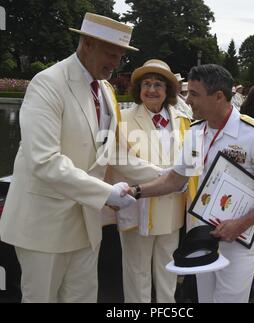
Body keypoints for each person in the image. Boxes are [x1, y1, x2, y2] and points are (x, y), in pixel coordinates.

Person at [0, 13, 161, 303]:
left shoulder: (106, 90)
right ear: (87, 44)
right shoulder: (47, 83)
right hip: (43, 227)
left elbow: (112, 154)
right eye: (111, 54)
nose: (115, 63)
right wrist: (107, 193)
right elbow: (45, 161)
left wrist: (166, 175)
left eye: (121, 56)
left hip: (87, 226)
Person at [126, 64, 254, 303]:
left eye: (194, 94)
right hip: (203, 238)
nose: (187, 100)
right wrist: (135, 191)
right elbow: (175, 179)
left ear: (219, 96)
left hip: (238, 241)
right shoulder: (194, 132)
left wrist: (240, 224)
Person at [112, 60, 190, 302]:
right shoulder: (121, 119)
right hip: (138, 206)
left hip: (171, 208)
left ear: (168, 90)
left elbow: (191, 161)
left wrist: (179, 179)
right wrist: (168, 177)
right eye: (146, 84)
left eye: (158, 84)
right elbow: (118, 159)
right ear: (138, 89)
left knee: (168, 271)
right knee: (137, 274)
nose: (152, 90)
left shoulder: (183, 121)